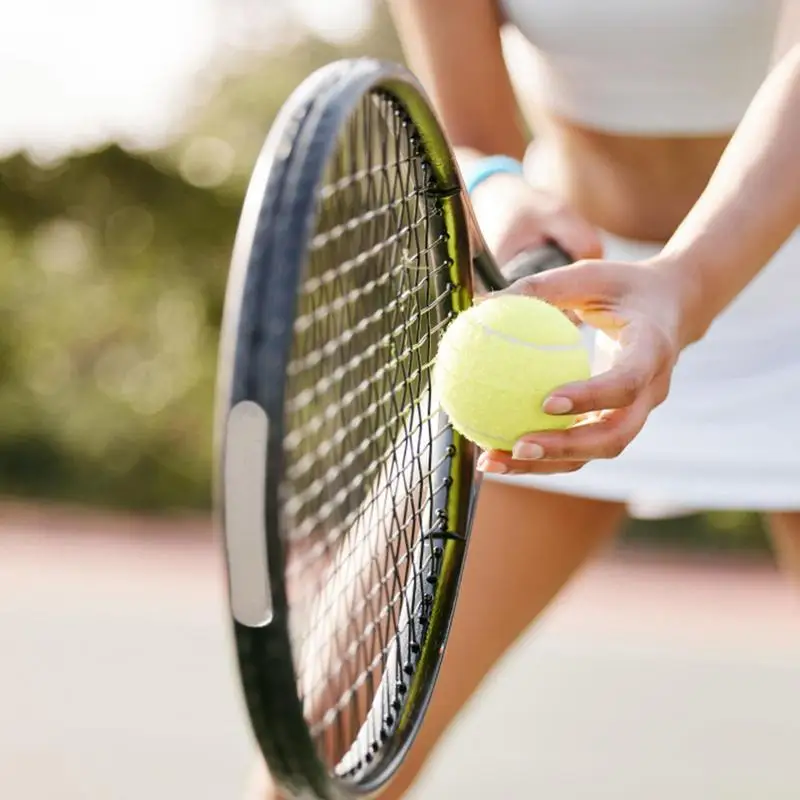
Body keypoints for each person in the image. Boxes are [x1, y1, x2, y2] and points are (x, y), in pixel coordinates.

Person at [256, 3, 800, 797]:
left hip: (742, 285)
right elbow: (474, 131)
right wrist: (497, 187)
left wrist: (682, 288)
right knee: (321, 766)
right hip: (566, 309)